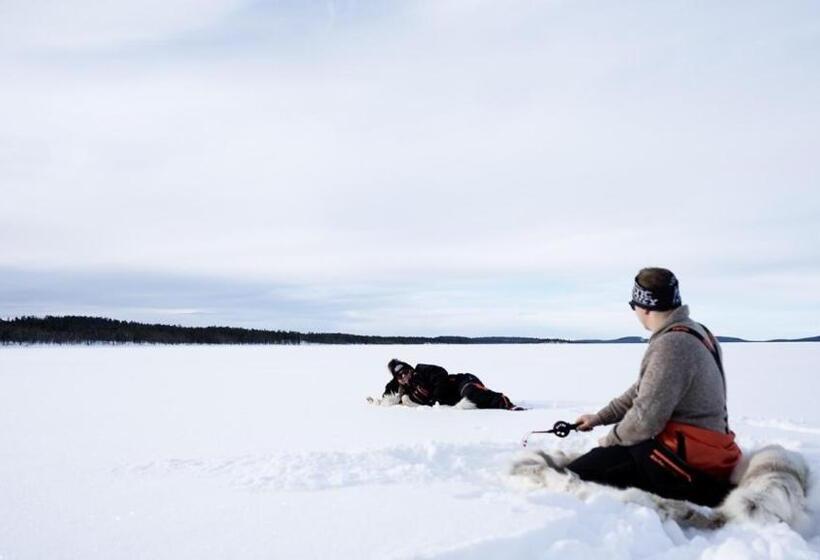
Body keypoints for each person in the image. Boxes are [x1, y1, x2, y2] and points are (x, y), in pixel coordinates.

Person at [565, 267, 742, 507]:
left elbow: (644, 420)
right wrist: (599, 418)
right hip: (706, 449)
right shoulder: (696, 331)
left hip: (690, 462)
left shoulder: (672, 345)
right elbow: (642, 390)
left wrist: (608, 442)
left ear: (644, 306)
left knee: (575, 476)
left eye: (633, 305)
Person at [374, 359, 523, 410]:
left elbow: (440, 375)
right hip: (455, 400)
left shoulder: (422, 370)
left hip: (462, 382)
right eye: (400, 376)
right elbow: (387, 393)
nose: (404, 376)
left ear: (410, 369)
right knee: (473, 405)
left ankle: (506, 404)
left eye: (406, 371)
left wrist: (434, 400)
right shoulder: (402, 387)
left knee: (471, 394)